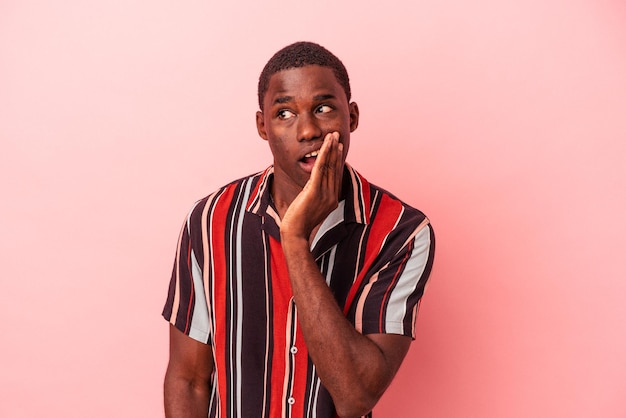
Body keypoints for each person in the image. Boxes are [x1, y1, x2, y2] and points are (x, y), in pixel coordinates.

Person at [162, 41, 435, 418]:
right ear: (263, 126)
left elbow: (355, 396)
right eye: (285, 113)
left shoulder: (400, 232)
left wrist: (294, 239)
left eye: (323, 109)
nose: (307, 130)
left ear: (351, 117)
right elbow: (188, 381)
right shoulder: (210, 220)